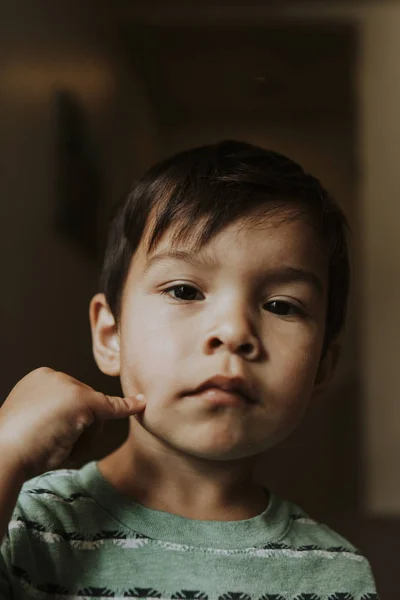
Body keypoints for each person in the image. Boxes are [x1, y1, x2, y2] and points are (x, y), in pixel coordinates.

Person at [0, 140, 379, 599]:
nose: (234, 331)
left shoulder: (336, 576)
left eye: (280, 304)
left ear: (321, 369)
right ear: (110, 335)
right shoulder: (31, 520)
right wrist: (6, 450)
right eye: (184, 291)